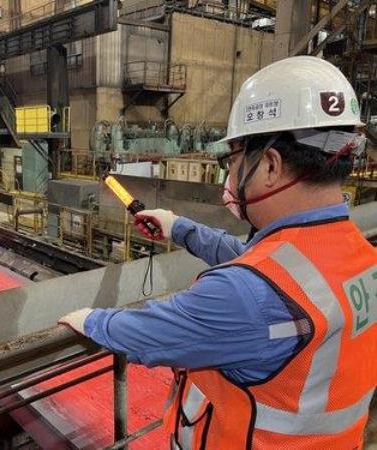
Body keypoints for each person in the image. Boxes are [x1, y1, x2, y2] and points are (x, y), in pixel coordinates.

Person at [59, 56, 377, 449]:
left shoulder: (245, 296)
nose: (231, 175)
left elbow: (148, 335)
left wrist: (89, 320)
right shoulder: (359, 255)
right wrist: (179, 227)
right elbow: (263, 268)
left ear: (271, 166)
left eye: (235, 159)